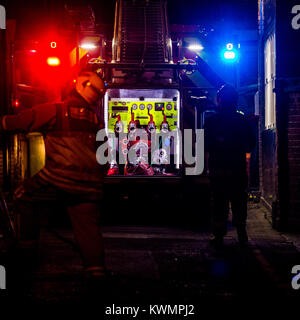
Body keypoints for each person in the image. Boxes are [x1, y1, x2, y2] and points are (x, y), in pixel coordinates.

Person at [0, 70, 107, 280]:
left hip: (57, 178)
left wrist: (4, 122)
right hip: (90, 185)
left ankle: (27, 256)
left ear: (79, 85)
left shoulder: (56, 110)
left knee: (23, 195)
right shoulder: (96, 120)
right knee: (88, 228)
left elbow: (19, 122)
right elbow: (105, 158)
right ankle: (96, 273)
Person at [204, 84, 256, 247]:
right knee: (239, 202)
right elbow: (251, 143)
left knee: (219, 203)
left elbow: (205, 145)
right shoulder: (242, 121)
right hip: (237, 169)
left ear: (219, 100)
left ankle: (219, 236)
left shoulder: (211, 121)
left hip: (218, 169)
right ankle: (241, 233)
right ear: (235, 101)